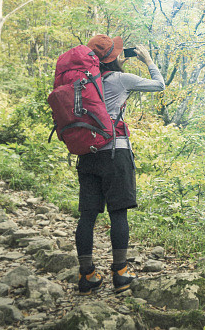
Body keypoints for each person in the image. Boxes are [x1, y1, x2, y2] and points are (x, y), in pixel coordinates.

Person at [75, 34, 165, 295]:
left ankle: (87, 276)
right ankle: (121, 273)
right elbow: (159, 85)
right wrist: (147, 59)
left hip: (87, 154)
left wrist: (113, 60)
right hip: (115, 153)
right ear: (113, 59)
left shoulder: (81, 83)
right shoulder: (120, 79)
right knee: (118, 213)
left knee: (87, 216)